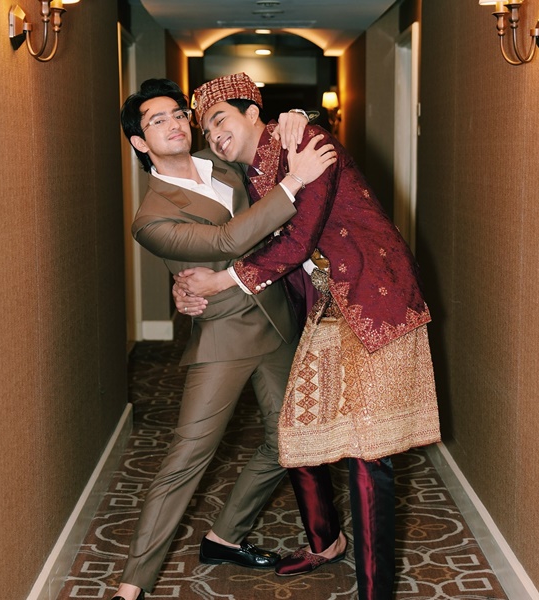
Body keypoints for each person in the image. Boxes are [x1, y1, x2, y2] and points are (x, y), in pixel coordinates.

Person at [177, 72, 441, 600]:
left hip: (375, 297)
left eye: (220, 119)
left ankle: (375, 590)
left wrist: (226, 279)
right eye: (206, 129)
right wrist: (193, 287)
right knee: (297, 433)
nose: (214, 135)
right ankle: (326, 542)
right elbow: (236, 236)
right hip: (322, 307)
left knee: (370, 452)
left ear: (254, 113)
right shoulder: (242, 177)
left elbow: (298, 237)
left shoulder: (307, 141)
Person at [113, 78, 335, 600]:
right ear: (140, 143)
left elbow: (267, 140)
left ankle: (225, 537)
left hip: (277, 323)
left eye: (175, 114)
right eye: (155, 121)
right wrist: (293, 184)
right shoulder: (150, 217)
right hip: (224, 337)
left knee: (287, 443)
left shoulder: (229, 170)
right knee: (185, 461)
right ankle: (131, 588)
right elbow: (225, 240)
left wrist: (296, 116)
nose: (171, 124)